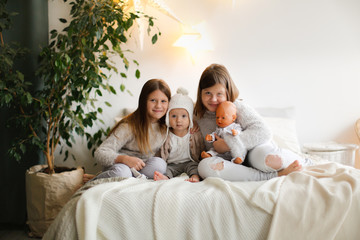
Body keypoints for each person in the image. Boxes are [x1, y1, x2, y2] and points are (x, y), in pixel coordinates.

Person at [194, 63, 311, 181]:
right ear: (201, 93)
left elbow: (264, 132)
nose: (213, 99)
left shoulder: (236, 107)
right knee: (204, 167)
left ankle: (304, 161)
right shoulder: (197, 115)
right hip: (229, 161)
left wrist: (229, 144)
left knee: (272, 160)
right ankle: (272, 176)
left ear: (227, 92)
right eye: (208, 93)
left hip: (254, 151)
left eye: (219, 94)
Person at [92, 78, 171, 180]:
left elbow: (183, 116)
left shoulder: (166, 126)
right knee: (123, 173)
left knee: (160, 164)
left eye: (163, 101)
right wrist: (124, 159)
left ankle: (134, 179)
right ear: (143, 101)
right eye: (153, 100)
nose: (158, 106)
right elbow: (100, 152)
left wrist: (193, 125)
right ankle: (96, 179)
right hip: (121, 166)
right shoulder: (129, 126)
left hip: (141, 168)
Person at [153, 88, 205, 182]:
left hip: (190, 162)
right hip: (171, 164)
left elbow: (201, 147)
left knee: (195, 168)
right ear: (168, 117)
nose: (178, 120)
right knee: (166, 170)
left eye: (184, 116)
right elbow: (160, 152)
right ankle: (166, 178)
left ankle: (195, 177)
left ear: (190, 118)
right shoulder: (166, 135)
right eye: (173, 116)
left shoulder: (194, 133)